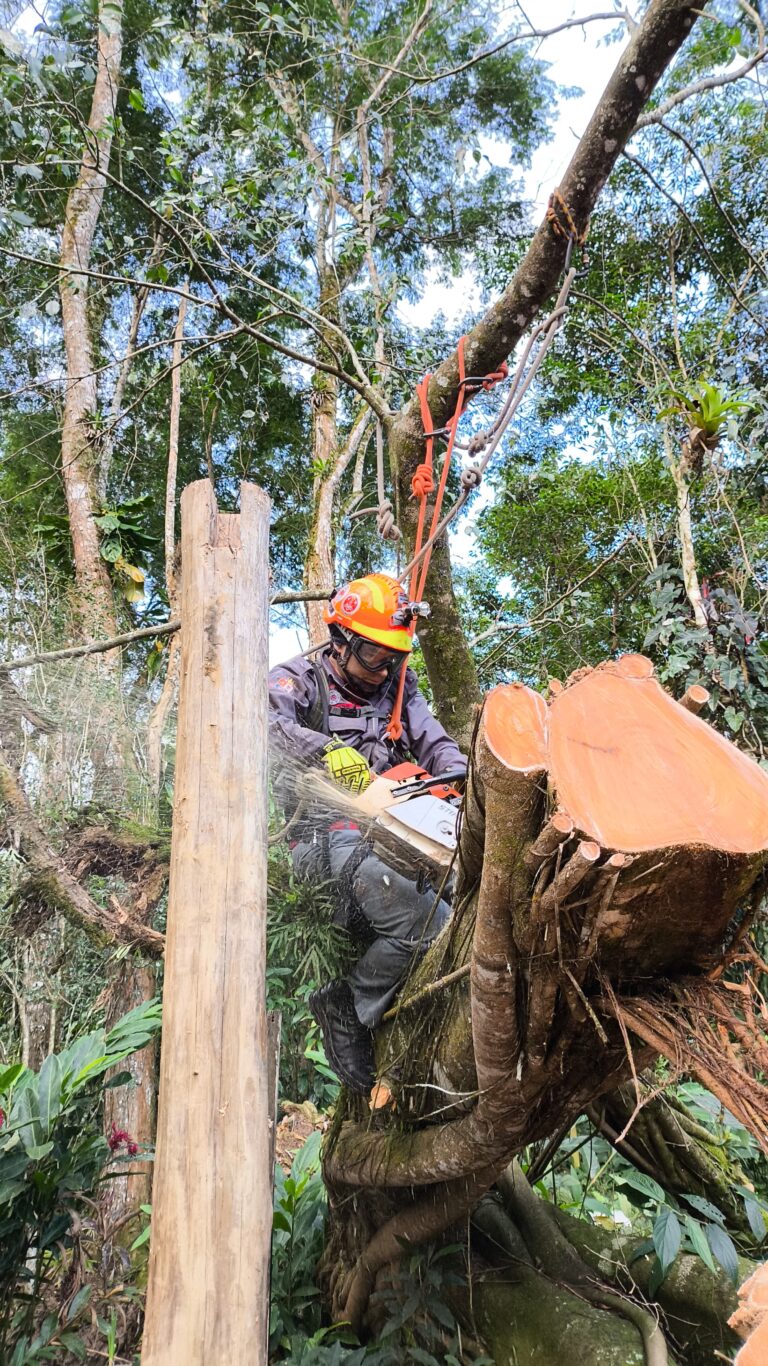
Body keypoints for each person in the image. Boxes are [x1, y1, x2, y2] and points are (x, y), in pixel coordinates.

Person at [268, 572, 466, 1094]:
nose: (385, 668)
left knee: (469, 898)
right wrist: (331, 754)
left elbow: (436, 743)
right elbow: (265, 722)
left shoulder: (400, 686)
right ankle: (349, 1004)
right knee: (431, 920)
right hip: (322, 834)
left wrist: (461, 776)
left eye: (394, 657)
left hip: (398, 823)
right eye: (375, 656)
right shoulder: (298, 680)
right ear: (341, 642)